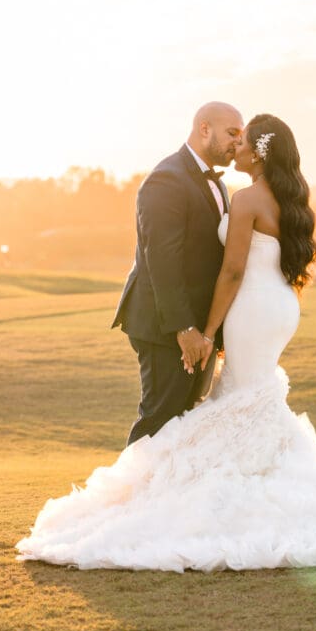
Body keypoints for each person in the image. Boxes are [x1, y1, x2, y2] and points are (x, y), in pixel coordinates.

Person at [15, 113, 316, 572]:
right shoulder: (288, 197)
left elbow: (233, 270)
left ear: (258, 152)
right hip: (276, 306)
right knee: (248, 396)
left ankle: (165, 493)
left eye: (242, 140)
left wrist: (207, 332)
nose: (236, 148)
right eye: (230, 137)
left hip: (251, 306)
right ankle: (251, 471)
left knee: (239, 396)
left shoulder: (248, 198)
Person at [111, 101, 244, 446]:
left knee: (185, 424)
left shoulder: (219, 185)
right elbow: (162, 261)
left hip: (198, 328)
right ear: (204, 129)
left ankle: (167, 500)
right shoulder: (166, 179)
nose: (238, 142)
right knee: (159, 421)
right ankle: (127, 499)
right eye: (232, 133)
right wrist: (184, 329)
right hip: (162, 325)